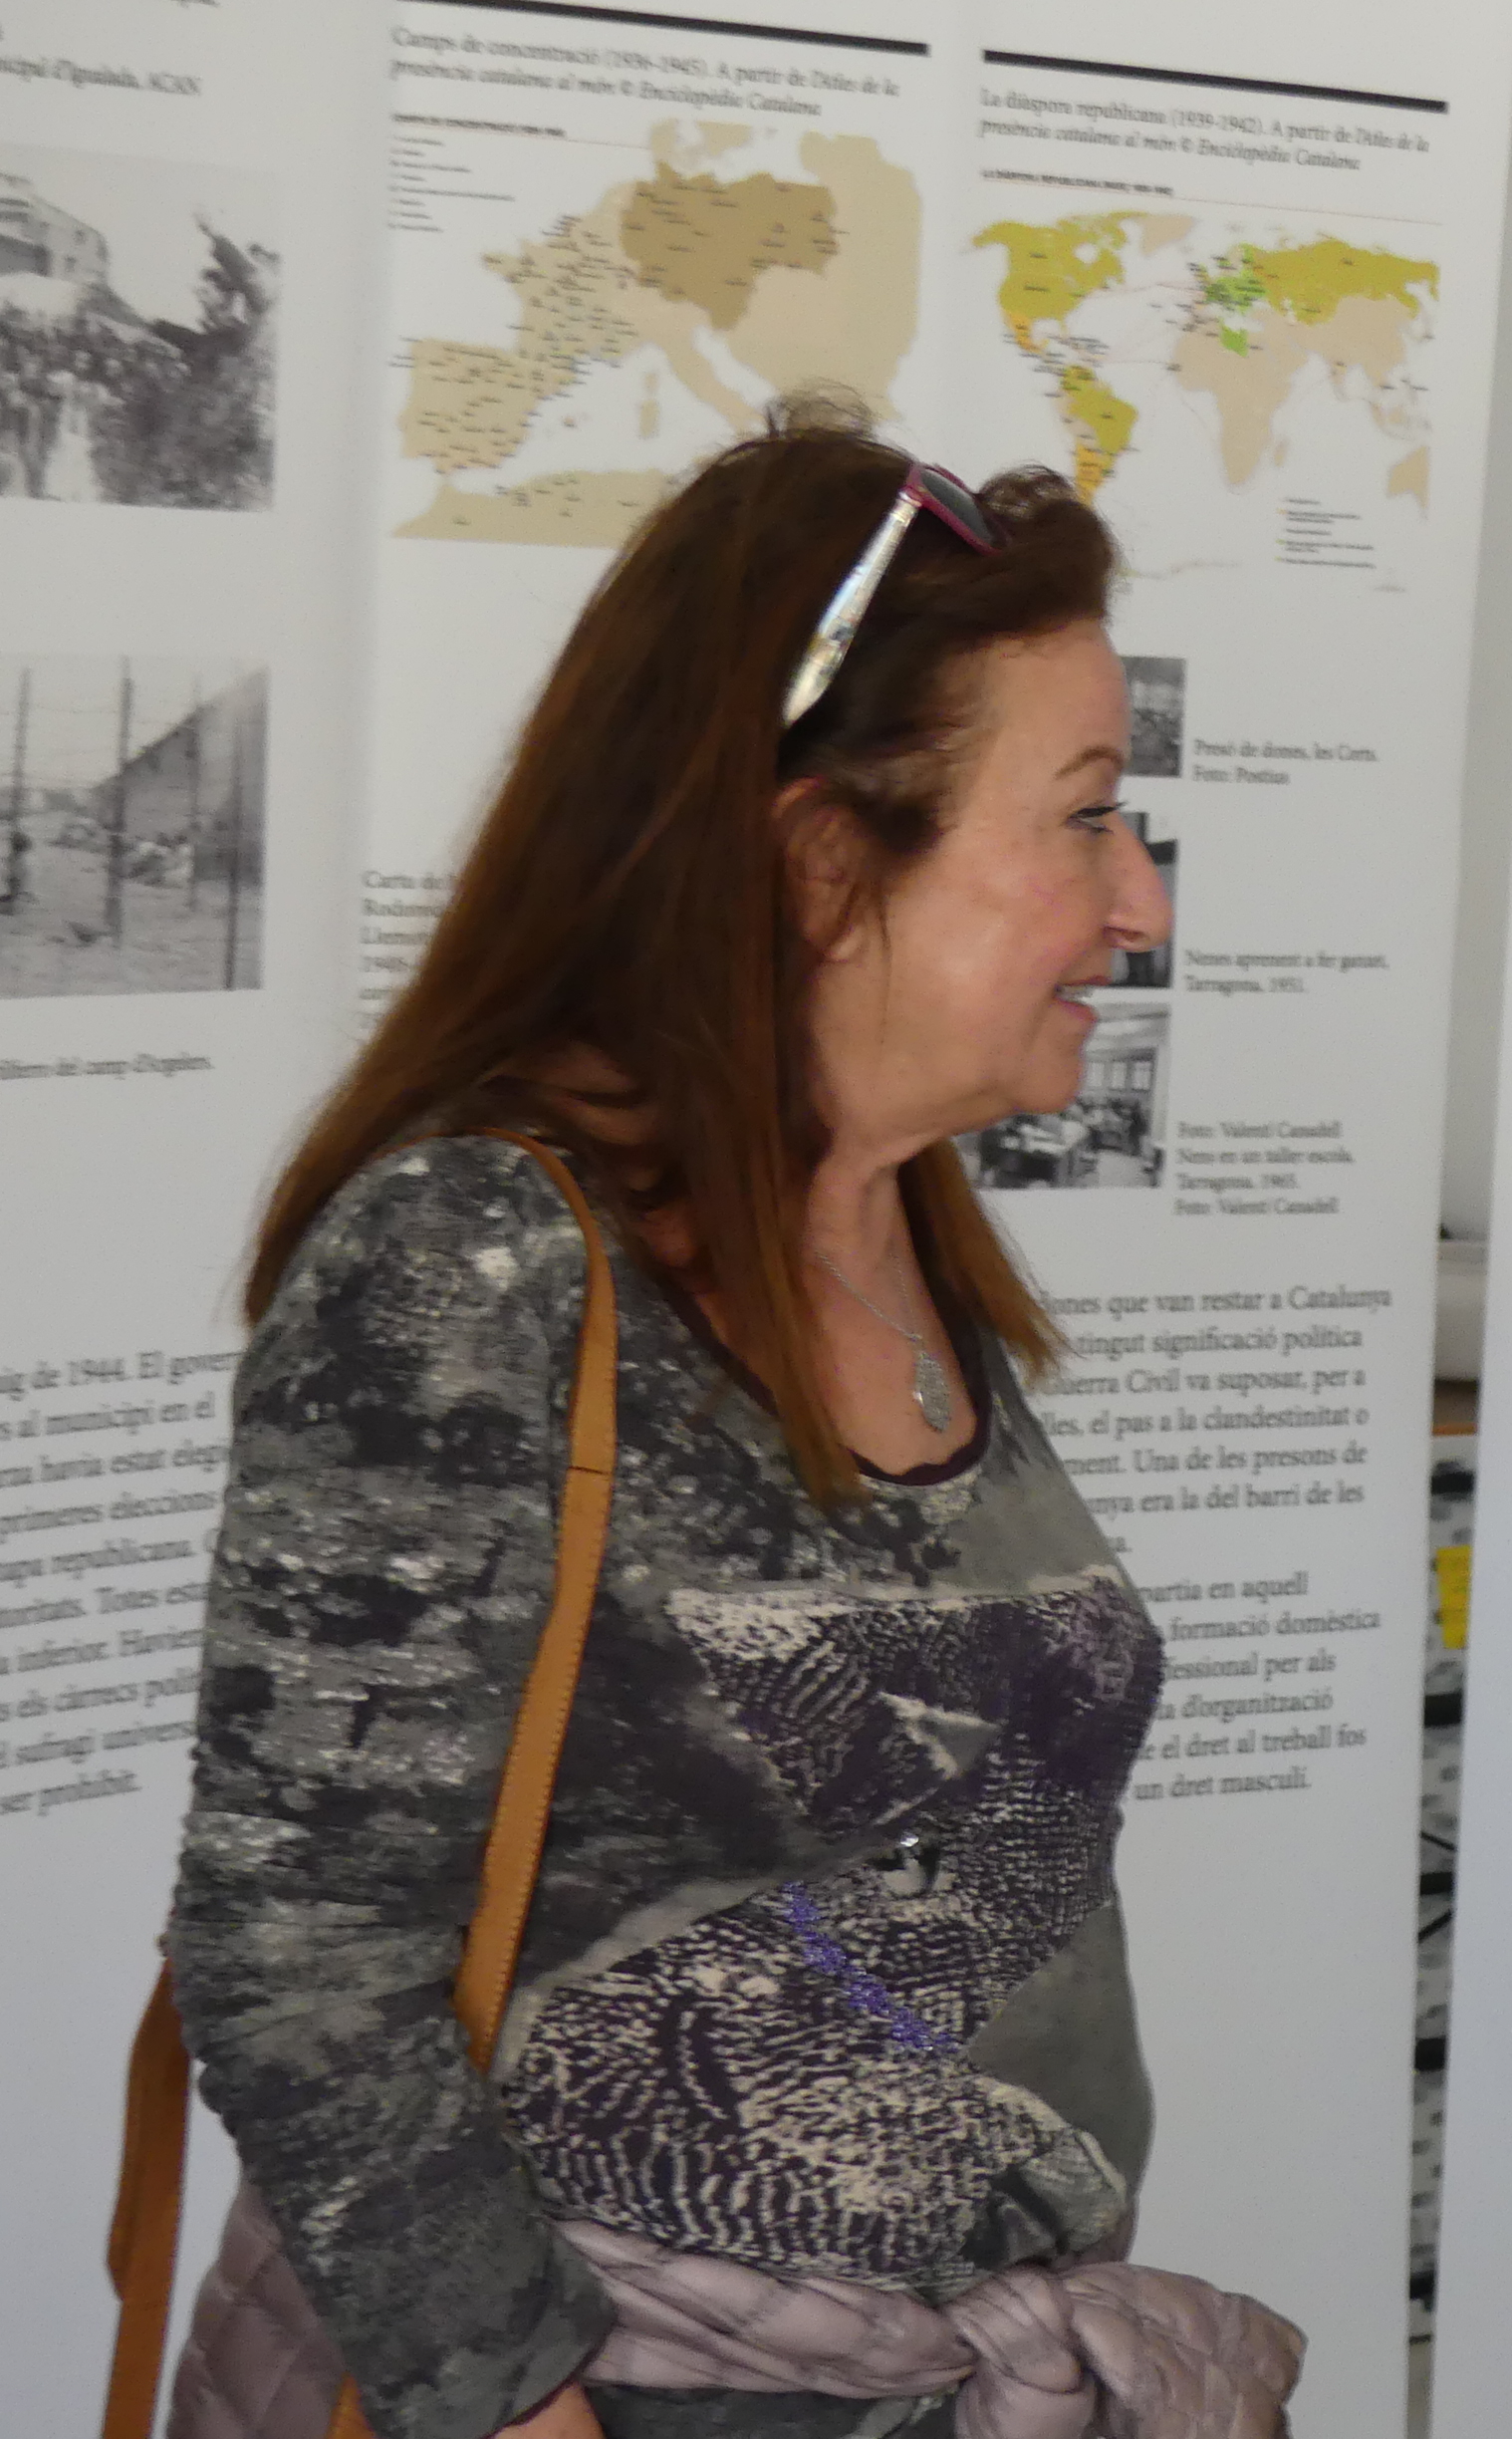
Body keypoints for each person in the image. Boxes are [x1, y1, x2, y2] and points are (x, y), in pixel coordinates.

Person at [165, 401, 1300, 2439]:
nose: (1137, 900)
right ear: (821, 862)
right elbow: (302, 1962)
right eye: (1081, 818)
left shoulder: (889, 1227)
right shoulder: (477, 1261)